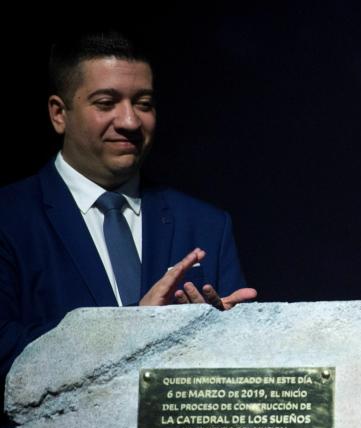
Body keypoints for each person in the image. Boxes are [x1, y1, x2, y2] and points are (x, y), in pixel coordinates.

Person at [0, 29, 257, 382]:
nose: (130, 122)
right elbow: (5, 352)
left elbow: (240, 369)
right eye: (106, 103)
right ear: (59, 114)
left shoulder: (207, 225)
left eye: (143, 104)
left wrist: (226, 335)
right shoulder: (9, 218)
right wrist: (134, 326)